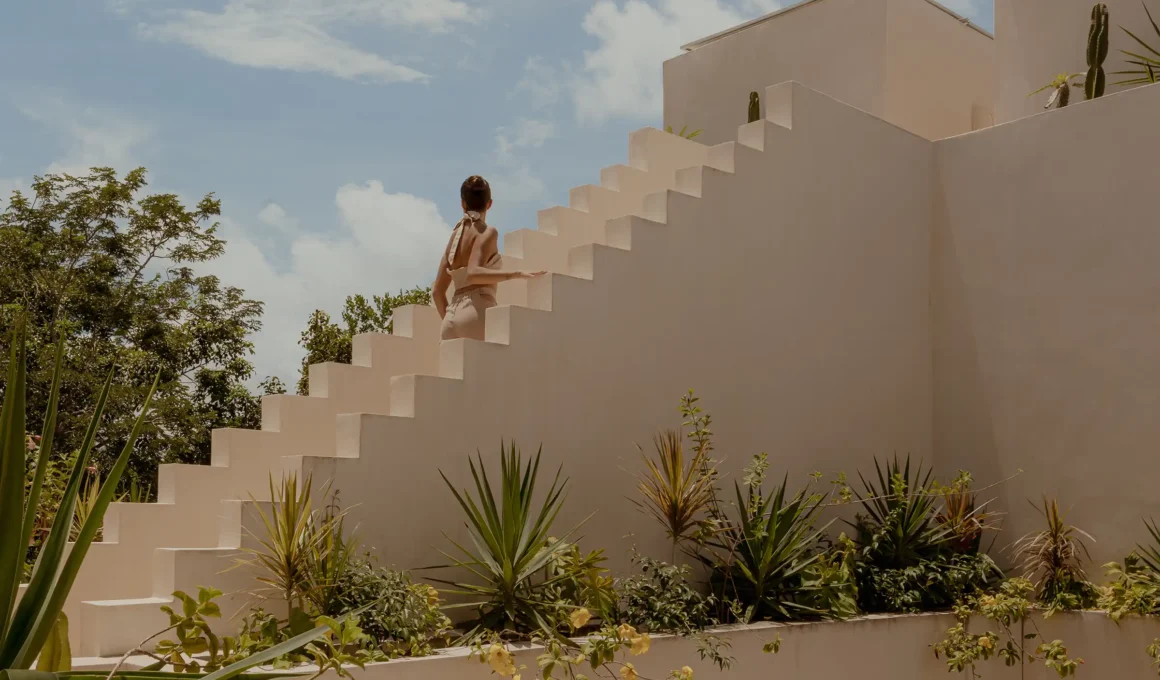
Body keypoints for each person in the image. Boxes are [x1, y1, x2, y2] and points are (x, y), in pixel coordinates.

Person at [433, 175, 545, 340]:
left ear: (463, 203)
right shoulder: (487, 232)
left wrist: (452, 320)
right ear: (489, 203)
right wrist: (516, 274)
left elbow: (437, 292)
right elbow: (474, 273)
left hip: (450, 319)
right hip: (476, 311)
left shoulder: (454, 236)